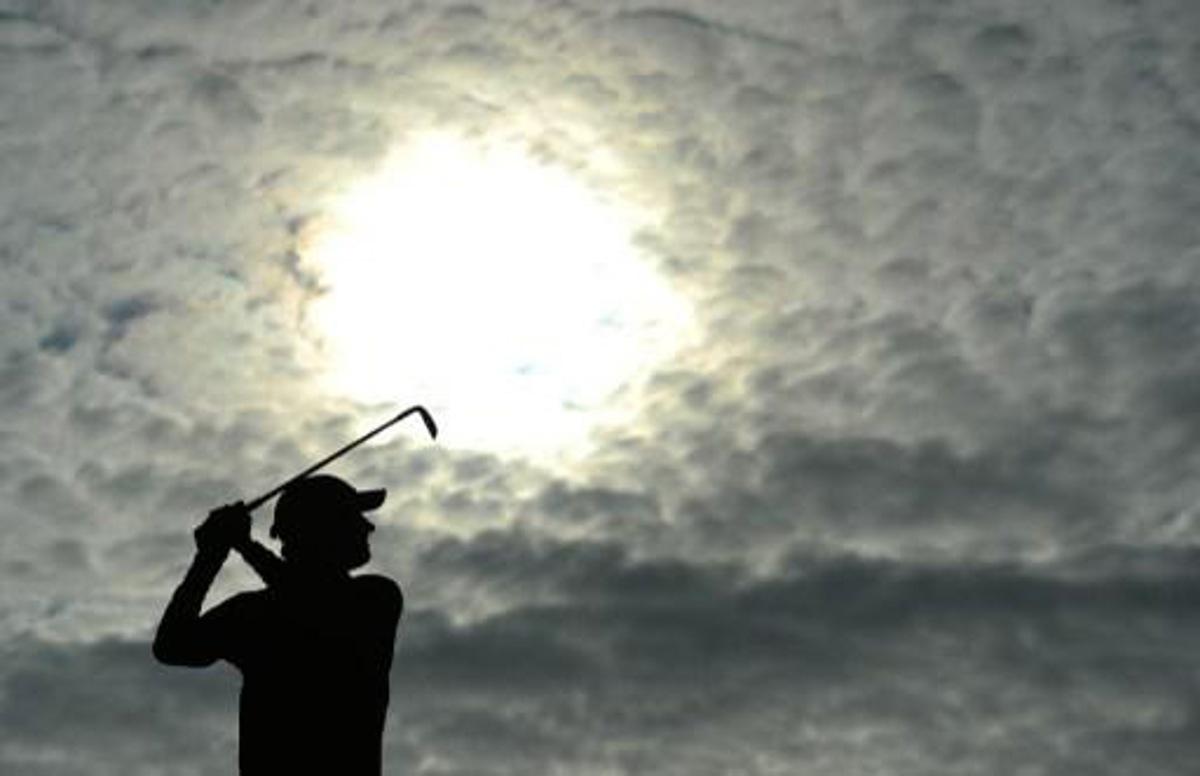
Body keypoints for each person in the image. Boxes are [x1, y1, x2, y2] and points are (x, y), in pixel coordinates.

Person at [153, 475, 403, 776]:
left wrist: (237, 546)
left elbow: (313, 603)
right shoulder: (253, 612)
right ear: (322, 529)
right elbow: (171, 646)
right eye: (352, 517)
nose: (367, 527)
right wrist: (210, 556)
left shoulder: (375, 597)